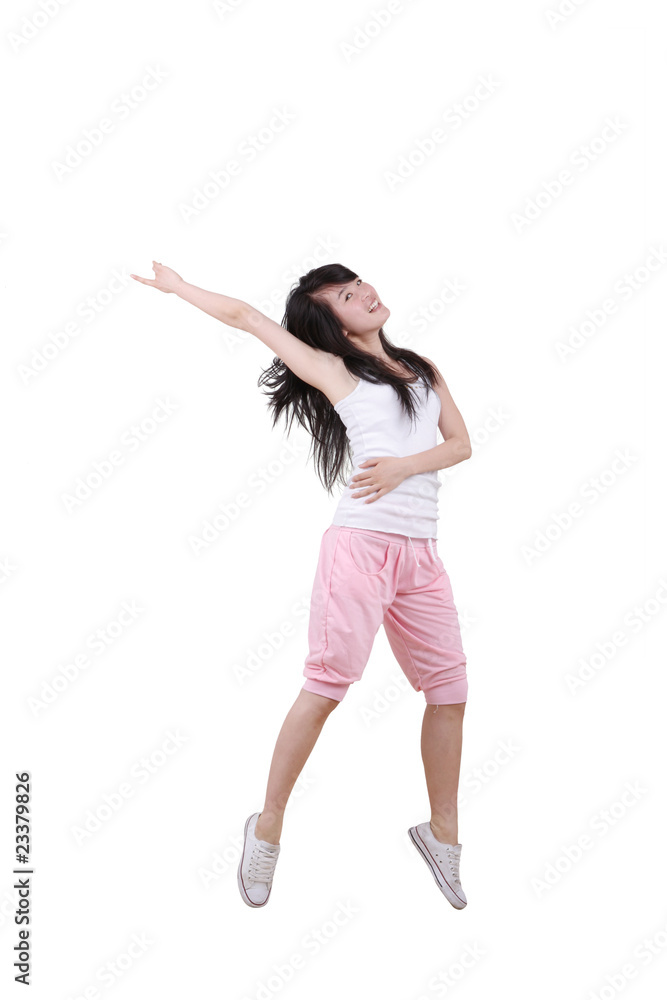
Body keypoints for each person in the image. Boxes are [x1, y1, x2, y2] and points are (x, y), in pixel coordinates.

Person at [130, 260, 472, 910]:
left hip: (421, 556)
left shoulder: (422, 370)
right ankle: (266, 828)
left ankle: (443, 833)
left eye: (360, 283)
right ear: (332, 325)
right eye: (346, 296)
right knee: (325, 688)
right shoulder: (335, 371)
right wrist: (178, 287)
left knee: (450, 691)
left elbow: (459, 445)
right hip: (359, 548)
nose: (365, 294)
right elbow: (248, 318)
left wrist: (403, 467)